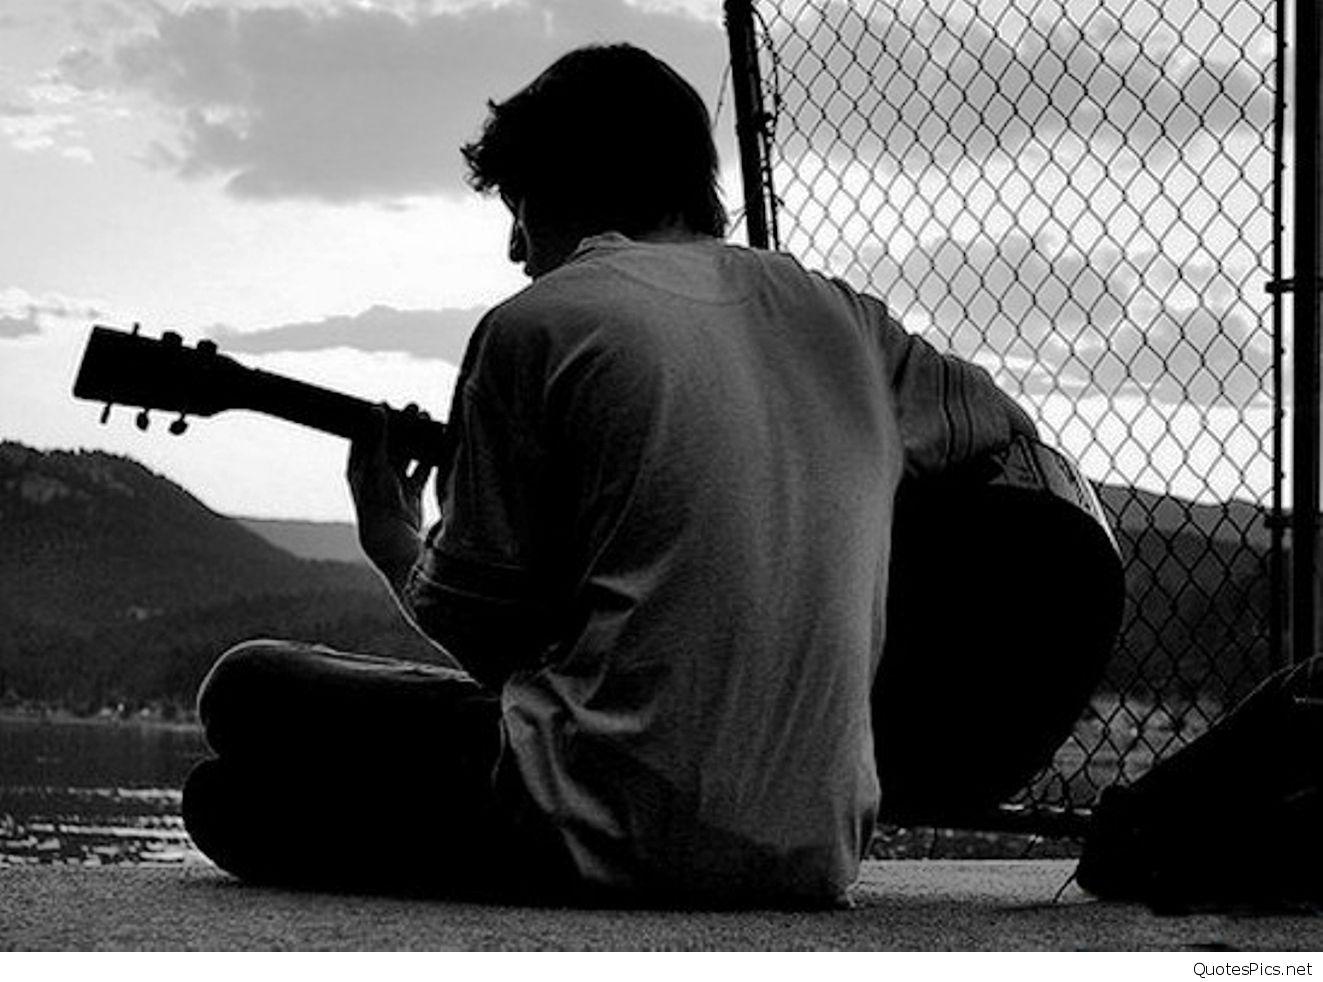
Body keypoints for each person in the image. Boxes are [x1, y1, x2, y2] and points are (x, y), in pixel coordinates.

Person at [183, 42, 1049, 908]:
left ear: (570, 183)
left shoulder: (540, 324)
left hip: (592, 828)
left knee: (242, 702)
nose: (517, 248)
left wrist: (393, 542)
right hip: (813, 850)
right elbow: (1004, 434)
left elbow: (490, 644)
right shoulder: (852, 324)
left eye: (519, 207)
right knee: (241, 794)